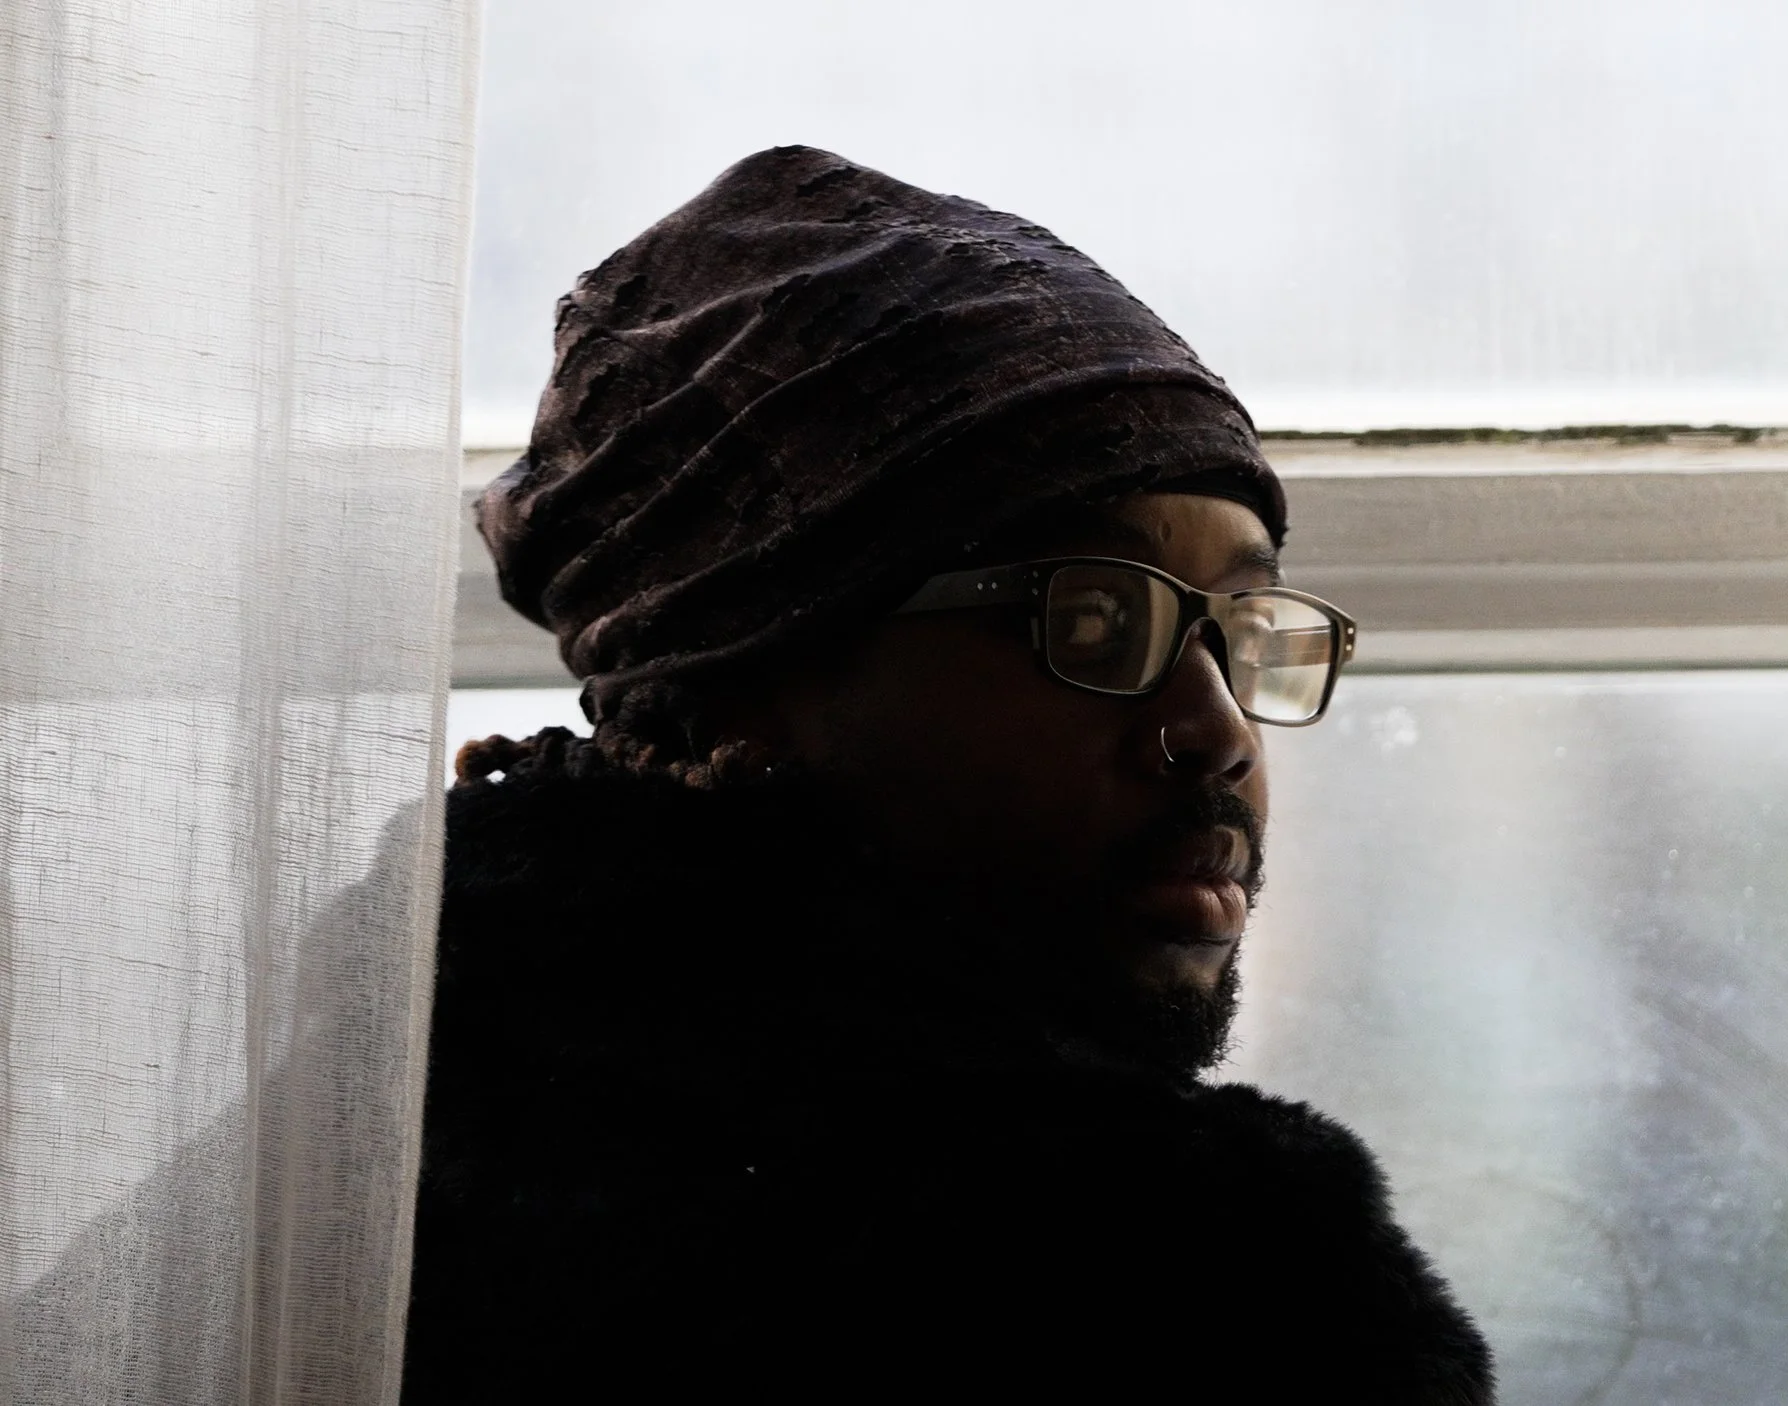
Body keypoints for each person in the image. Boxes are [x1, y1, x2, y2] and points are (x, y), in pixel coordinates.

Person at [401, 146, 1495, 1403]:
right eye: (1091, 620)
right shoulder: (1173, 1280)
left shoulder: (389, 1070)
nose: (1217, 732)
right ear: (752, 672)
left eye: (1239, 631)